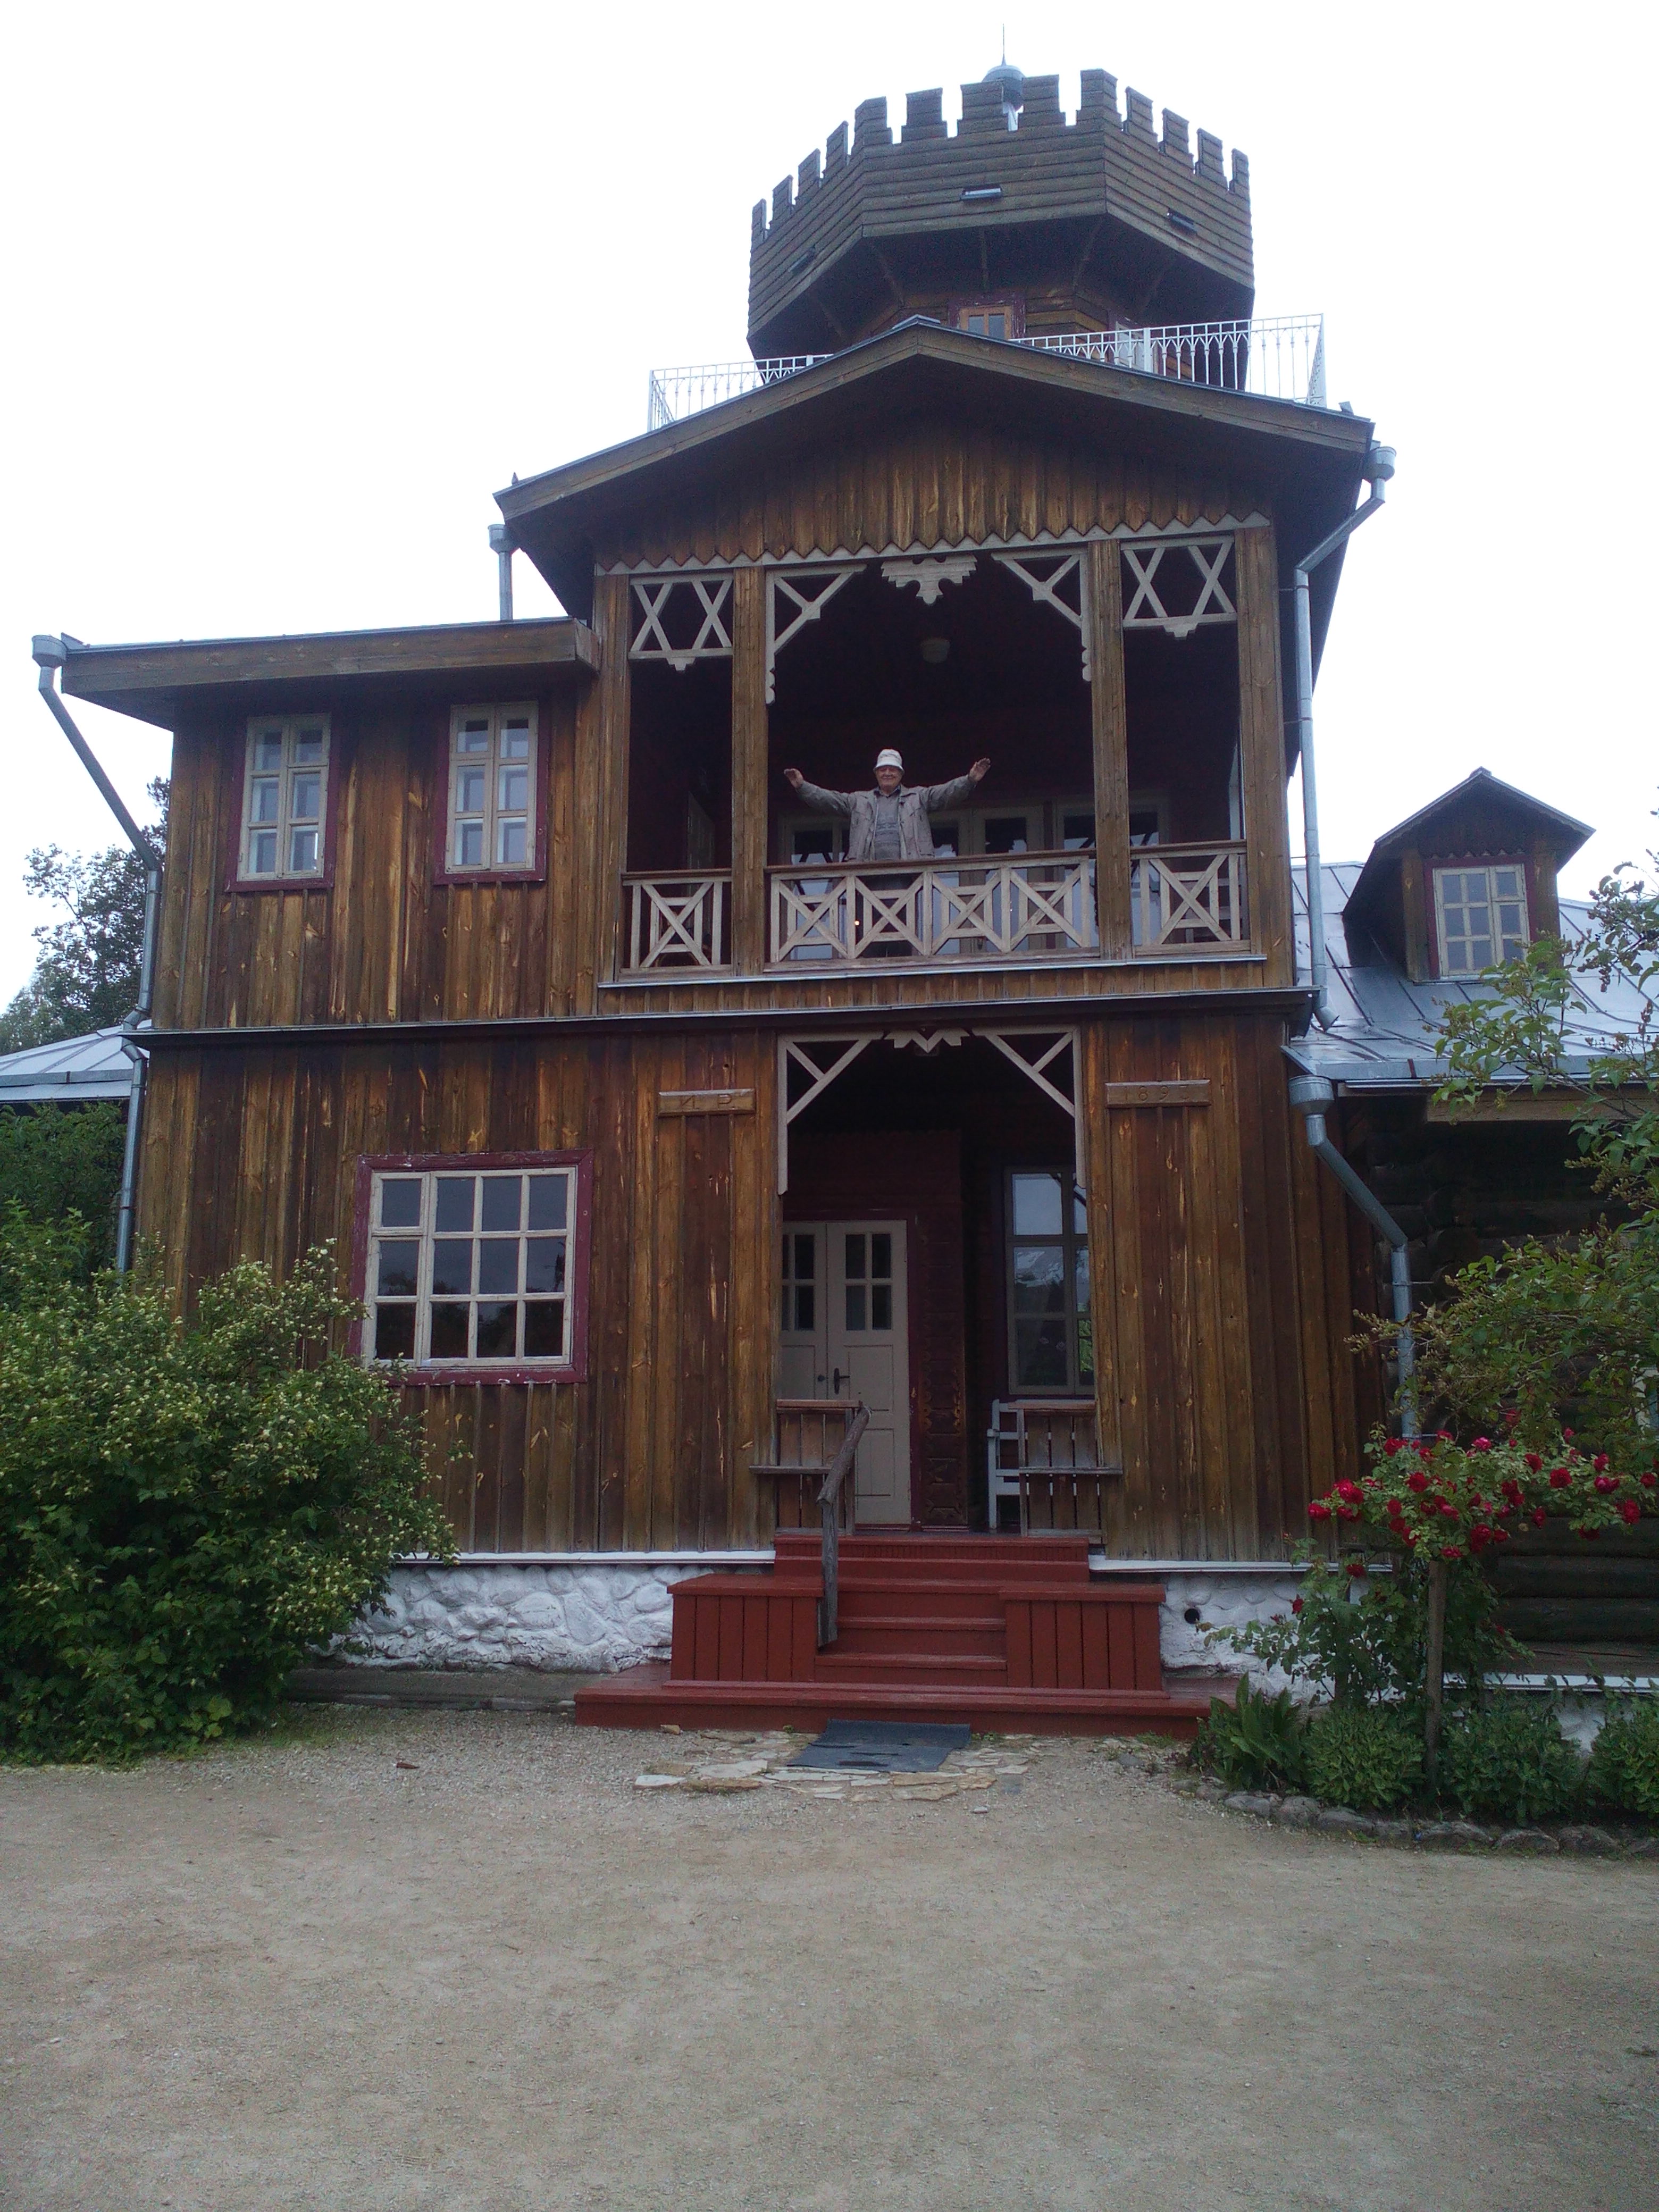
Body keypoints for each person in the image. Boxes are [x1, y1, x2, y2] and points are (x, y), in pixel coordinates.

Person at [782, 749, 991, 861]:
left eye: (893, 769)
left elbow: (946, 793)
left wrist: (969, 780)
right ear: (876, 773)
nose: (888, 773)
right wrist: (803, 787)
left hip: (908, 873)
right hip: (867, 874)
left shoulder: (918, 797)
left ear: (901, 774)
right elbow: (828, 800)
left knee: (906, 921)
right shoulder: (859, 801)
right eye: (883, 770)